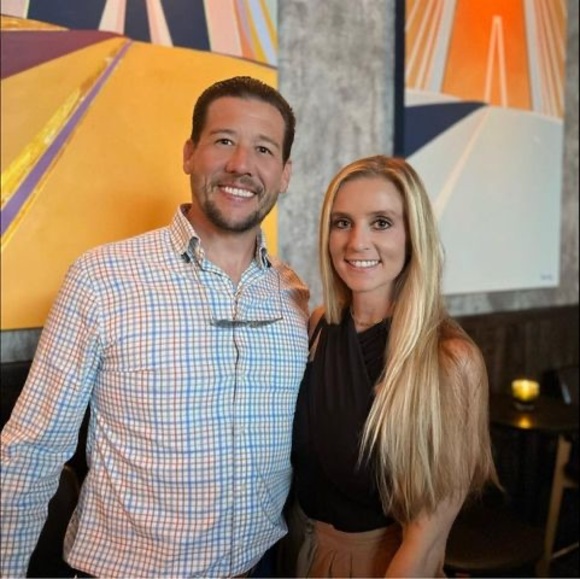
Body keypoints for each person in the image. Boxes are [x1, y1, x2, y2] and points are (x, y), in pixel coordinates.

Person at [1, 76, 309, 578]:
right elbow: (30, 452)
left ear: (284, 174)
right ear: (189, 153)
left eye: (264, 149)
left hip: (259, 567)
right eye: (224, 140)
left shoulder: (291, 294)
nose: (241, 164)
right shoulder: (101, 278)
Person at [282, 155, 499, 577]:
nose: (357, 242)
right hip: (294, 551)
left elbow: (425, 544)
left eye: (381, 222)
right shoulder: (319, 326)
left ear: (414, 235)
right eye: (342, 222)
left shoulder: (451, 360)